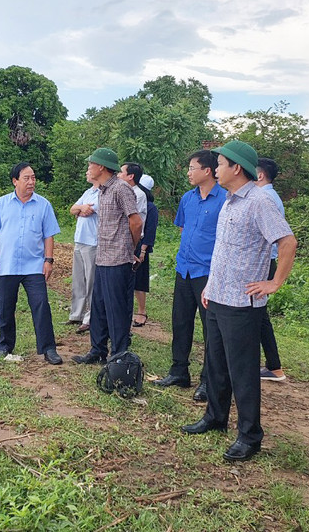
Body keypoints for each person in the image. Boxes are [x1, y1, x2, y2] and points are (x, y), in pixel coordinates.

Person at [181, 140, 296, 463]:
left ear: (236, 168)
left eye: (219, 164)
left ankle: (250, 436)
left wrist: (275, 282)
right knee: (216, 363)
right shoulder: (231, 201)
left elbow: (287, 241)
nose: (215, 168)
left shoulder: (259, 201)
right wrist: (211, 286)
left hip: (242, 303)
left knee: (242, 370)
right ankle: (215, 417)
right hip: (218, 295)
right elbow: (225, 250)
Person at [152, 150, 225, 402]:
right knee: (181, 322)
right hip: (184, 269)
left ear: (207, 171)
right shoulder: (187, 198)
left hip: (208, 272)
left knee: (210, 330)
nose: (188, 172)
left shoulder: (225, 199)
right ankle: (178, 371)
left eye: (192, 167)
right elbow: (184, 227)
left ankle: (207, 380)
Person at [0, 163, 63, 365]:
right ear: (15, 181)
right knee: (5, 308)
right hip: (7, 265)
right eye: (26, 178)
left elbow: (48, 235)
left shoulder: (43, 204)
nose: (31, 182)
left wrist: (48, 260)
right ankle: (5, 346)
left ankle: (48, 348)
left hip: (34, 266)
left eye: (33, 178)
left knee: (41, 305)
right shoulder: (1, 204)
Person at [73, 148, 143, 364]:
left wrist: (129, 247)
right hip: (102, 257)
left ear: (101, 167)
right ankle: (97, 350)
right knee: (99, 306)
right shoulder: (103, 190)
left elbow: (136, 221)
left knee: (116, 309)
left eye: (90, 164)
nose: (88, 168)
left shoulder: (121, 189)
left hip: (117, 259)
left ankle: (119, 355)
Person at [254, 158, 287, 381]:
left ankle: (274, 366)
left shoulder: (265, 198)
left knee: (258, 314)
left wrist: (275, 280)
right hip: (266, 262)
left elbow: (286, 241)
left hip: (264, 263)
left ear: (259, 175)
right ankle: (273, 366)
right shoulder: (269, 196)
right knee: (259, 314)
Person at [66, 176, 100, 334]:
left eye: (89, 168)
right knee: (78, 279)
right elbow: (73, 209)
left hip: (92, 241)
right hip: (79, 240)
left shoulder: (102, 193)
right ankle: (76, 314)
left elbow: (88, 211)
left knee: (91, 281)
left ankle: (90, 317)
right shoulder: (88, 192)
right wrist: (80, 208)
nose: (87, 172)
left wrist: (81, 209)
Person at [132, 174, 158, 328]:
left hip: (141, 246)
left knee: (140, 280)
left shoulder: (150, 207)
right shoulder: (133, 202)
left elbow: (150, 231)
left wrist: (142, 251)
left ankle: (141, 312)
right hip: (130, 244)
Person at [119, 162, 148, 231]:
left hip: (129, 236)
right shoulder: (120, 191)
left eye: (120, 172)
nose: (117, 175)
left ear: (130, 176)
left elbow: (130, 218)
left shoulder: (138, 194)